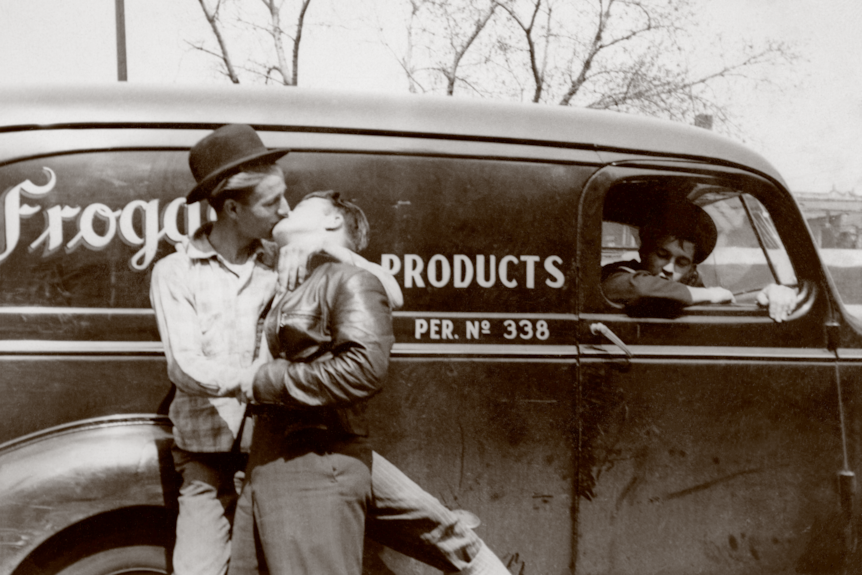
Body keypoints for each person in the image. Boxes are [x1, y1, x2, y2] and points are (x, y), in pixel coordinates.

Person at [150, 124, 507, 575]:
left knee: (437, 523)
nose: (284, 209)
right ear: (232, 208)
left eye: (287, 197)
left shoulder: (284, 257)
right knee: (198, 570)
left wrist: (331, 249)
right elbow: (185, 366)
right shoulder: (175, 272)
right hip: (211, 457)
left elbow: (391, 293)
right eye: (271, 201)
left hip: (293, 444)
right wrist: (254, 383)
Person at [601, 199, 800, 322]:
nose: (670, 268)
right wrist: (711, 294)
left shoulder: (691, 286)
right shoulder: (618, 275)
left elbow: (727, 302)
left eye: (682, 262)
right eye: (662, 255)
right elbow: (641, 288)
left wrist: (772, 295)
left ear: (691, 269)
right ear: (644, 252)